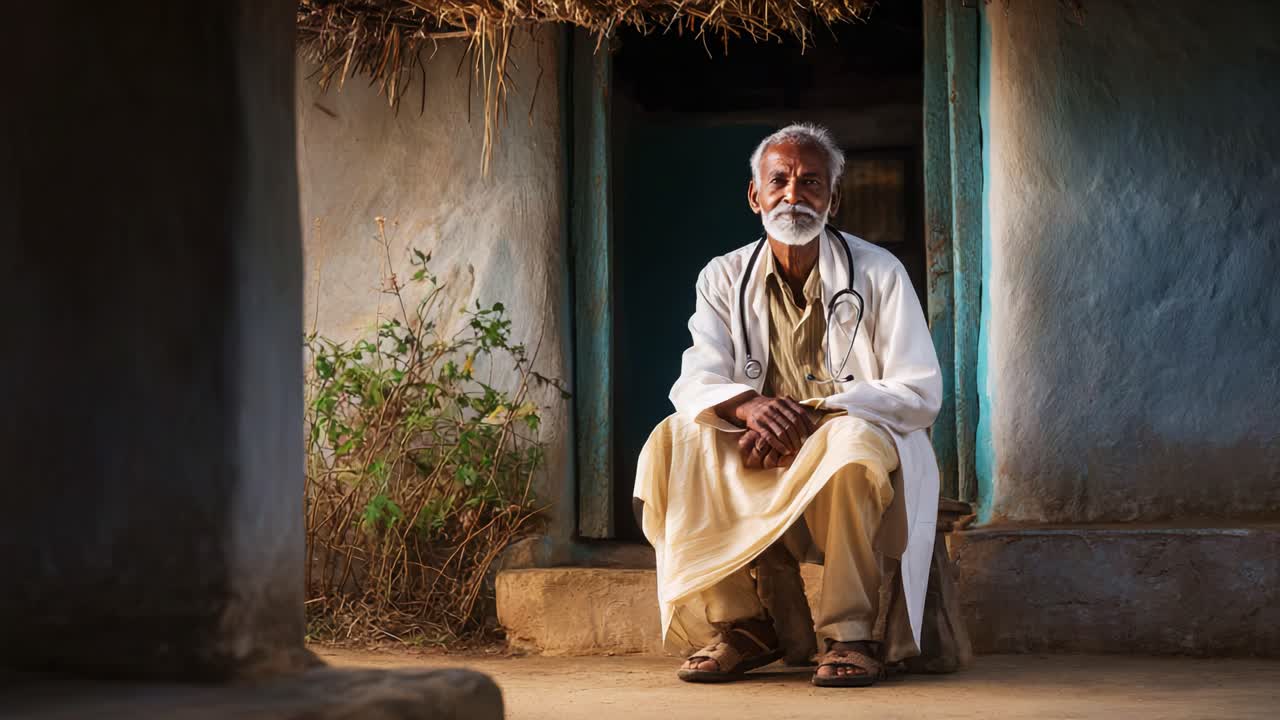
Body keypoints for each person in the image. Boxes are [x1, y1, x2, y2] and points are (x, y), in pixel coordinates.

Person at [632, 123, 943, 687]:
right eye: (779, 181)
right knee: (675, 438)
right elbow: (699, 375)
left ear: (833, 198)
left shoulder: (879, 273)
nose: (793, 195)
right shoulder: (722, 276)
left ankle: (849, 634)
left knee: (850, 447)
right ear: (756, 196)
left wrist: (811, 415)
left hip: (844, 439)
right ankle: (745, 627)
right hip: (760, 450)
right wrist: (750, 409)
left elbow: (918, 391)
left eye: (811, 182)